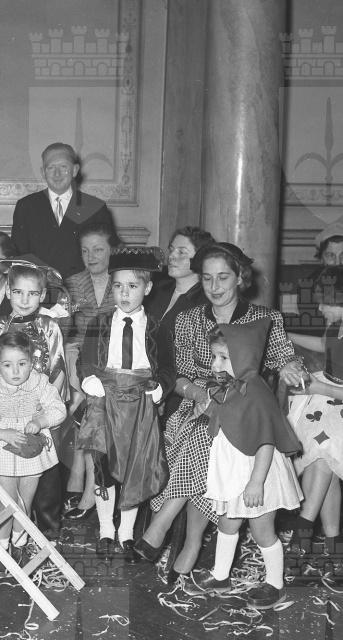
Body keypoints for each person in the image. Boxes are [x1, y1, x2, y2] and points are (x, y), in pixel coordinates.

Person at [134, 242, 304, 580]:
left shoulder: (265, 318)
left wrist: (290, 366)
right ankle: (192, 541)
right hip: (197, 402)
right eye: (207, 278)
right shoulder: (188, 319)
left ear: (240, 277)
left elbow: (285, 358)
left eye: (223, 277)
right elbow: (180, 375)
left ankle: (163, 524)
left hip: (246, 411)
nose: (214, 286)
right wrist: (200, 395)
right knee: (203, 431)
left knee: (208, 435)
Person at [189, 320, 302, 609]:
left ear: (244, 356)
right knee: (227, 523)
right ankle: (221, 577)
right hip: (234, 471)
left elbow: (266, 441)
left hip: (257, 472)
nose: (215, 364)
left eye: (223, 358)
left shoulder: (256, 392)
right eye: (214, 356)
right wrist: (207, 409)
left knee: (262, 530)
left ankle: (275, 584)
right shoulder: (231, 386)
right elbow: (228, 414)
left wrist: (256, 482)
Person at [77, 246, 173, 561]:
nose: (125, 293)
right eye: (118, 286)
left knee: (136, 466)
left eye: (132, 286)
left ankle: (126, 532)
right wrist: (88, 378)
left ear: (147, 288)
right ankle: (106, 529)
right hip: (105, 401)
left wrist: (162, 387)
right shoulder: (100, 323)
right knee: (103, 466)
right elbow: (85, 359)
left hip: (139, 404)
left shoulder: (157, 327)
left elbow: (168, 367)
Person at [0, 260, 68, 538]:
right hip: (4, 414)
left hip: (38, 413)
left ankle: (42, 532)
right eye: (18, 292)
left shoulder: (49, 327)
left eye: (32, 293)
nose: (25, 300)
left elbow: (58, 369)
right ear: (8, 291)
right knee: (6, 479)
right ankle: (5, 533)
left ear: (43, 295)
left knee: (40, 477)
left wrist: (44, 414)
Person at [0, 332, 66, 570]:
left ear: (31, 363)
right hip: (2, 451)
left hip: (32, 450)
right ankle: (1, 546)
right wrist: (1, 433)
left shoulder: (39, 383)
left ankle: (19, 542)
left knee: (25, 500)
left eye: (22, 364)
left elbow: (59, 410)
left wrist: (41, 421)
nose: (15, 371)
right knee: (7, 501)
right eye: (7, 365)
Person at [61, 222, 119, 520]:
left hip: (113, 358)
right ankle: (79, 475)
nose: (91, 256)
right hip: (79, 355)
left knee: (90, 413)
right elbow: (63, 328)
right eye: (85, 251)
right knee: (78, 406)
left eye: (98, 250)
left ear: (112, 250)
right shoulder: (72, 283)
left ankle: (86, 487)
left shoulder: (122, 281)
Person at [287, 266, 343, 549]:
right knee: (324, 462)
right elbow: (326, 344)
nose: (320, 308)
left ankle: (303, 528)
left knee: (324, 450)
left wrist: (320, 389)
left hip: (336, 398)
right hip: (327, 396)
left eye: (326, 303)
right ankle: (333, 544)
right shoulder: (337, 324)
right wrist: (288, 335)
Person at [11, 142, 116, 279]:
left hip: (83, 288)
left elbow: (109, 256)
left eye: (63, 167)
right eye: (51, 167)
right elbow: (19, 256)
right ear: (43, 172)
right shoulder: (26, 206)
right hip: (39, 288)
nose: (57, 174)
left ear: (75, 170)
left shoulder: (95, 207)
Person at [145, 226, 214, 420]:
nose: (172, 256)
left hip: (181, 392)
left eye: (182, 252)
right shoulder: (156, 290)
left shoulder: (206, 303)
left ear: (201, 259)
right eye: (171, 249)